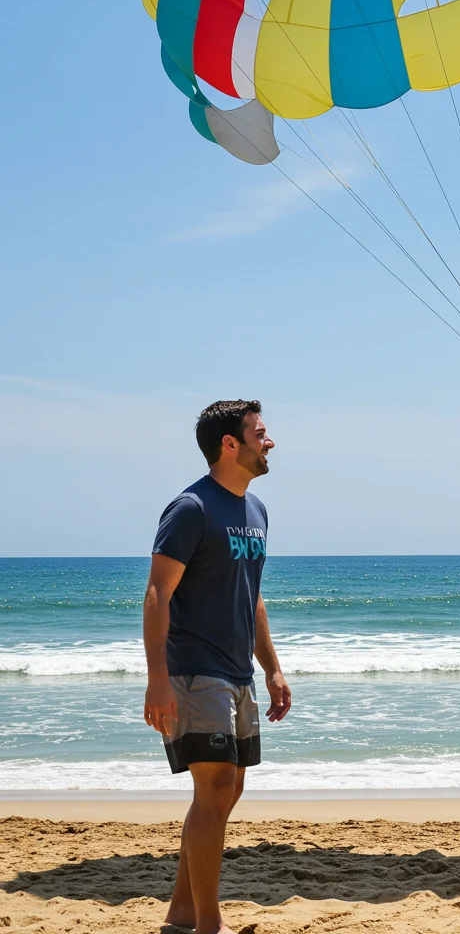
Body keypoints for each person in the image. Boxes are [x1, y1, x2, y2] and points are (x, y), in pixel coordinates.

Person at [143, 399, 292, 934]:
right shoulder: (191, 508)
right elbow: (158, 593)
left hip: (238, 673)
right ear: (230, 444)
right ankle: (210, 925)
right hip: (192, 670)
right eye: (260, 432)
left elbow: (251, 595)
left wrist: (271, 667)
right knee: (215, 786)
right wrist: (157, 680)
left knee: (229, 790)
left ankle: (182, 915)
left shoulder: (256, 511)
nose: (268, 441)